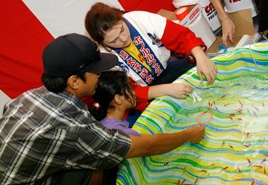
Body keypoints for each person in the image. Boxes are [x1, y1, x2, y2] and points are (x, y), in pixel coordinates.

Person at [0, 33, 205, 185]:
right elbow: (146, 147)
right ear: (74, 81)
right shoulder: (74, 124)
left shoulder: (28, 96)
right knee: (100, 166)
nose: (100, 75)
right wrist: (189, 134)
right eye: (95, 71)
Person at [85, 2, 217, 121]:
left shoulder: (139, 19)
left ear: (121, 17)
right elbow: (128, 93)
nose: (124, 38)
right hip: (141, 96)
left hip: (165, 71)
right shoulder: (103, 58)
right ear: (101, 43)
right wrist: (167, 90)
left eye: (122, 29)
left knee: (200, 66)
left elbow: (181, 36)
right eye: (114, 41)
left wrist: (201, 57)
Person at [89, 70, 141, 184]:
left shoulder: (99, 122)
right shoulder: (126, 134)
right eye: (129, 88)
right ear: (117, 99)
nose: (133, 92)